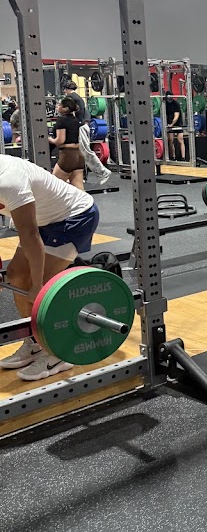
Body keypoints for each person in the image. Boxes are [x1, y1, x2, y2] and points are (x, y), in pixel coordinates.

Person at [0, 155, 99, 380]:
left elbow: (29, 235)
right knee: (16, 276)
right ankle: (36, 342)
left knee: (41, 288)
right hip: (43, 220)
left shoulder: (8, 180)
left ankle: (58, 351)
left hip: (74, 217)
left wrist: (37, 284)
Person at [62, 79, 110, 185]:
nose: (64, 91)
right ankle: (77, 176)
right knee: (76, 153)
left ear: (67, 89)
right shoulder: (77, 98)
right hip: (82, 126)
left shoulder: (71, 98)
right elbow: (85, 112)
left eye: (64, 89)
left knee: (86, 152)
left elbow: (72, 114)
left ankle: (103, 173)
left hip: (81, 128)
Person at [49, 95, 86, 190]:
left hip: (68, 156)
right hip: (79, 155)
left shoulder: (61, 121)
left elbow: (60, 140)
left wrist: (48, 139)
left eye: (59, 105)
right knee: (79, 190)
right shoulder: (75, 120)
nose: (57, 106)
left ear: (65, 108)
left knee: (55, 188)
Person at [164, 90, 186, 161]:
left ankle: (183, 158)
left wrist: (172, 124)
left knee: (180, 139)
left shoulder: (176, 104)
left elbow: (176, 116)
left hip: (177, 123)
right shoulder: (165, 104)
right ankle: (173, 157)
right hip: (169, 123)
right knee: (170, 140)